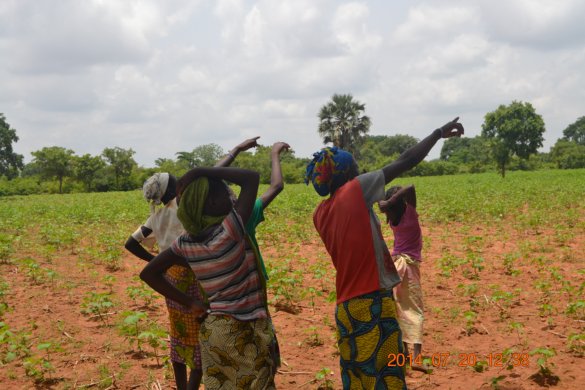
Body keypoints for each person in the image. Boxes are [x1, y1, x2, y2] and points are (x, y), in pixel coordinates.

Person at [305, 118, 463, 389]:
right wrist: (437, 134)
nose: (361, 172)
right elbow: (405, 160)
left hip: (346, 308)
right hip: (371, 304)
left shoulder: (320, 213)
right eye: (355, 168)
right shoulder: (353, 191)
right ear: (344, 176)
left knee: (358, 380)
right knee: (387, 379)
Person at [140, 166, 278, 390]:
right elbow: (251, 178)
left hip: (214, 330)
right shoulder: (230, 231)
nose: (230, 196)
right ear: (212, 203)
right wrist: (198, 171)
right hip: (245, 326)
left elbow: (148, 273)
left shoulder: (185, 243)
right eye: (224, 193)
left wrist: (191, 302)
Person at [124, 173, 203, 390]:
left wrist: (156, 262)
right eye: (177, 181)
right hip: (193, 277)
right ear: (171, 190)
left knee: (178, 332)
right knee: (200, 339)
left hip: (169, 280)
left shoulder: (157, 218)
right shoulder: (185, 207)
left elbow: (130, 243)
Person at [379, 185, 426, 372]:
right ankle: (416, 358)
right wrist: (391, 200)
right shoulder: (410, 214)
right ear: (404, 202)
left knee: (398, 308)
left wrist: (384, 201)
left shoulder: (392, 218)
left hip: (394, 265)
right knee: (415, 309)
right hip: (408, 267)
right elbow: (411, 187)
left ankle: (403, 354)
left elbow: (381, 202)